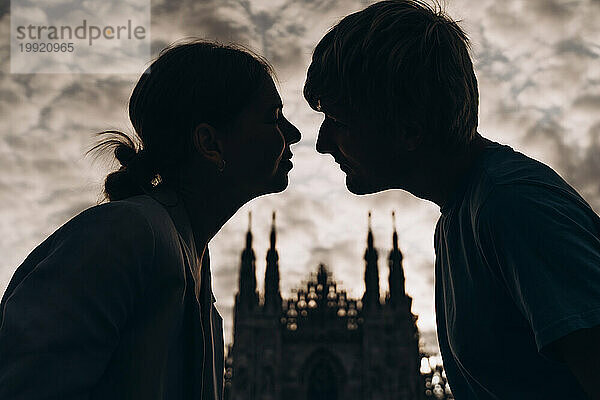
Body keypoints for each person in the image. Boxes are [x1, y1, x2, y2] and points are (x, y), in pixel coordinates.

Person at [304, 1, 600, 398]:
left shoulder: (512, 205)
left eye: (339, 122)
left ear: (409, 128)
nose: (323, 143)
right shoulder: (459, 217)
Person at [0, 39, 301, 399]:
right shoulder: (123, 234)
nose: (294, 133)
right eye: (273, 117)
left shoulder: (194, 272)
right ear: (210, 143)